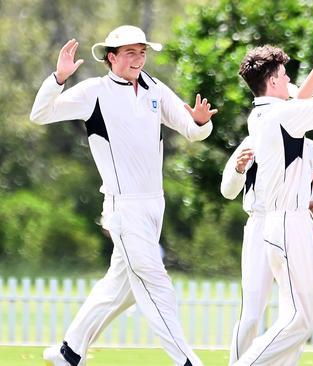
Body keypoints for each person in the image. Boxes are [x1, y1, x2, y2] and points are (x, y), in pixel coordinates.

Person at [30, 25, 216, 366]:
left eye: (142, 52)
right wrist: (59, 77)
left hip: (153, 205)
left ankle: (67, 352)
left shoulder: (155, 88)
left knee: (122, 287)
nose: (138, 58)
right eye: (130, 52)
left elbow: (192, 131)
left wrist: (202, 122)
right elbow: (40, 114)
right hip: (123, 207)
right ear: (111, 57)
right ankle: (188, 361)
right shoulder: (94, 91)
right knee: (155, 282)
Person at [231, 23, 313, 366]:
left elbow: (300, 101)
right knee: (299, 320)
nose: (289, 80)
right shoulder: (281, 114)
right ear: (272, 81)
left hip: (296, 221)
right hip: (285, 221)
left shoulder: (269, 112)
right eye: (285, 75)